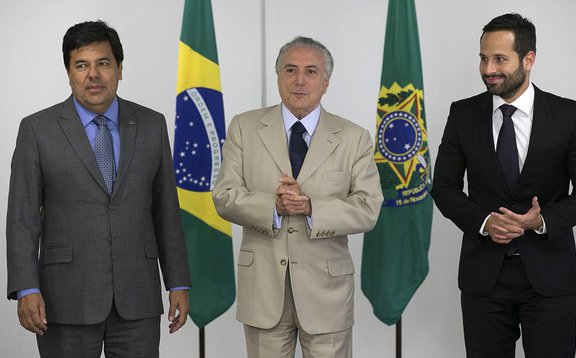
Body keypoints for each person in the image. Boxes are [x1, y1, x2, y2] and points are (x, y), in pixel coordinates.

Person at [6, 20, 191, 358]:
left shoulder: (151, 125)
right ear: (69, 72)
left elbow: (166, 211)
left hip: (137, 298)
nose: (93, 74)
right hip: (64, 300)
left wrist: (177, 281)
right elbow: (22, 219)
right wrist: (26, 287)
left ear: (119, 69)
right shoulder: (37, 129)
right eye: (81, 65)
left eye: (103, 63)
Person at [431, 13, 576, 357]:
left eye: (499, 59)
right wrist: (485, 222)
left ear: (528, 59)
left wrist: (541, 221)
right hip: (484, 280)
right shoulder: (462, 114)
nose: (487, 68)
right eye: (483, 58)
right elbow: (444, 187)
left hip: (550, 279)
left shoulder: (568, 115)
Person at [212, 36, 383, 358]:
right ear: (278, 76)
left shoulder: (353, 137)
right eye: (290, 70)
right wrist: (272, 206)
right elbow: (224, 195)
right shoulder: (244, 127)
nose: (300, 80)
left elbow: (368, 208)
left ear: (326, 81)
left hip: (326, 293)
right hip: (263, 289)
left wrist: (311, 208)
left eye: (311, 71)